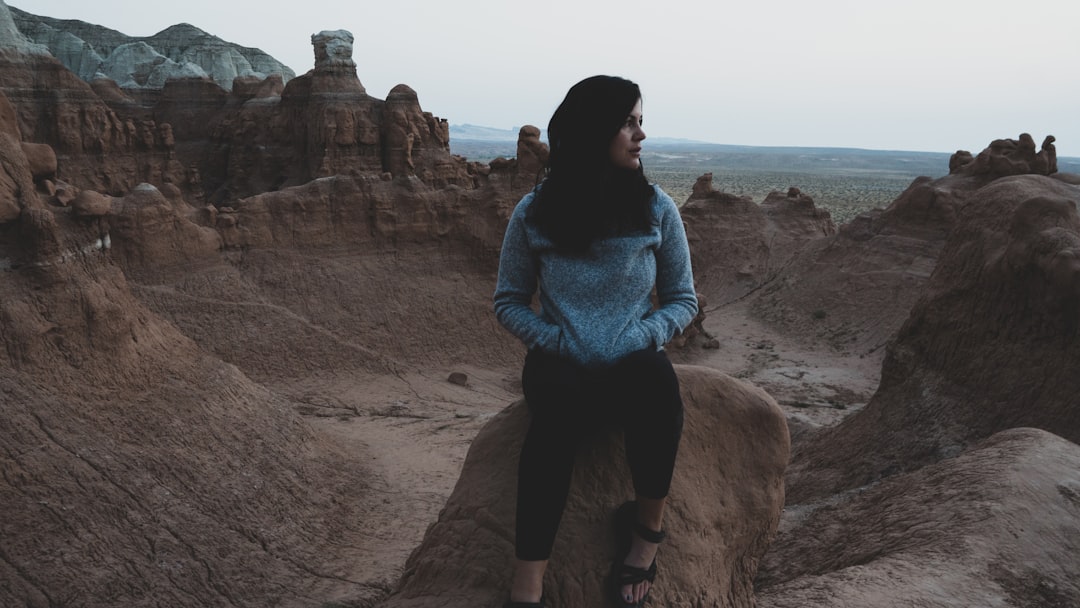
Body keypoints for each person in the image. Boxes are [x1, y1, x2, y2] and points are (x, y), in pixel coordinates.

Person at [493, 75, 698, 608]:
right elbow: (509, 300)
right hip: (561, 361)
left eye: (640, 121)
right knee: (554, 416)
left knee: (658, 384)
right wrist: (554, 339)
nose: (640, 135)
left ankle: (645, 538)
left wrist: (641, 335)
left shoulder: (656, 209)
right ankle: (528, 583)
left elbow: (682, 300)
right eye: (628, 122)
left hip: (631, 360)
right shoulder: (535, 212)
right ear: (593, 130)